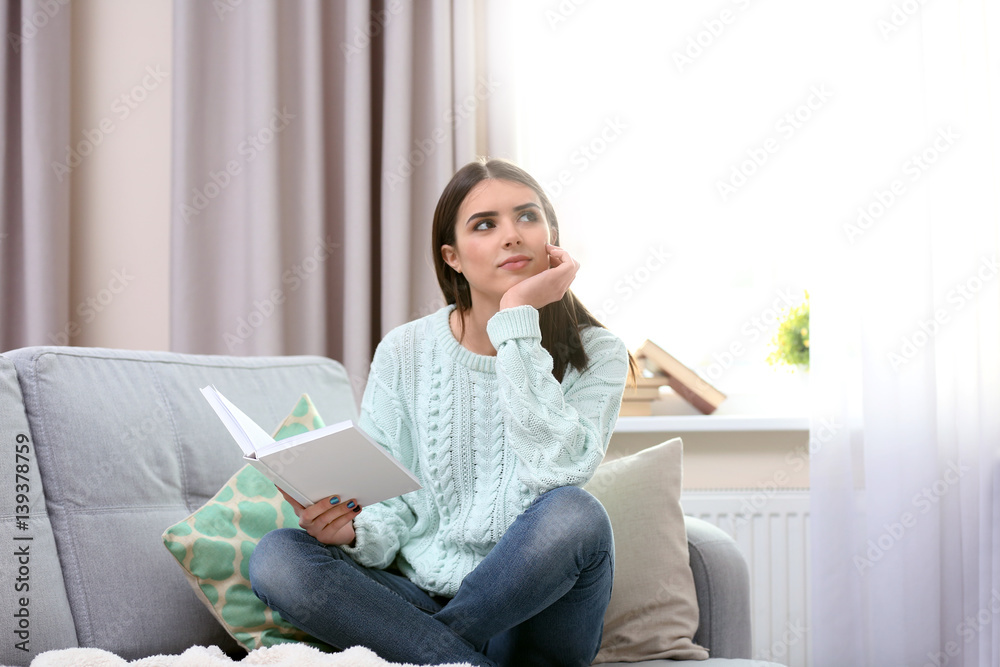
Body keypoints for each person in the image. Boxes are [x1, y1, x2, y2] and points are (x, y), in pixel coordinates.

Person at [249, 158, 635, 666]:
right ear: (452, 257)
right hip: (416, 598)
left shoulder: (598, 353)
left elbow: (557, 470)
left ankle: (431, 652)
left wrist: (517, 318)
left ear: (552, 238)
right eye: (485, 224)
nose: (512, 236)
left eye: (527, 217)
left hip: (536, 612)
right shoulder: (406, 351)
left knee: (576, 514)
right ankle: (454, 656)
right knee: (278, 557)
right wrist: (352, 530)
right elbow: (391, 505)